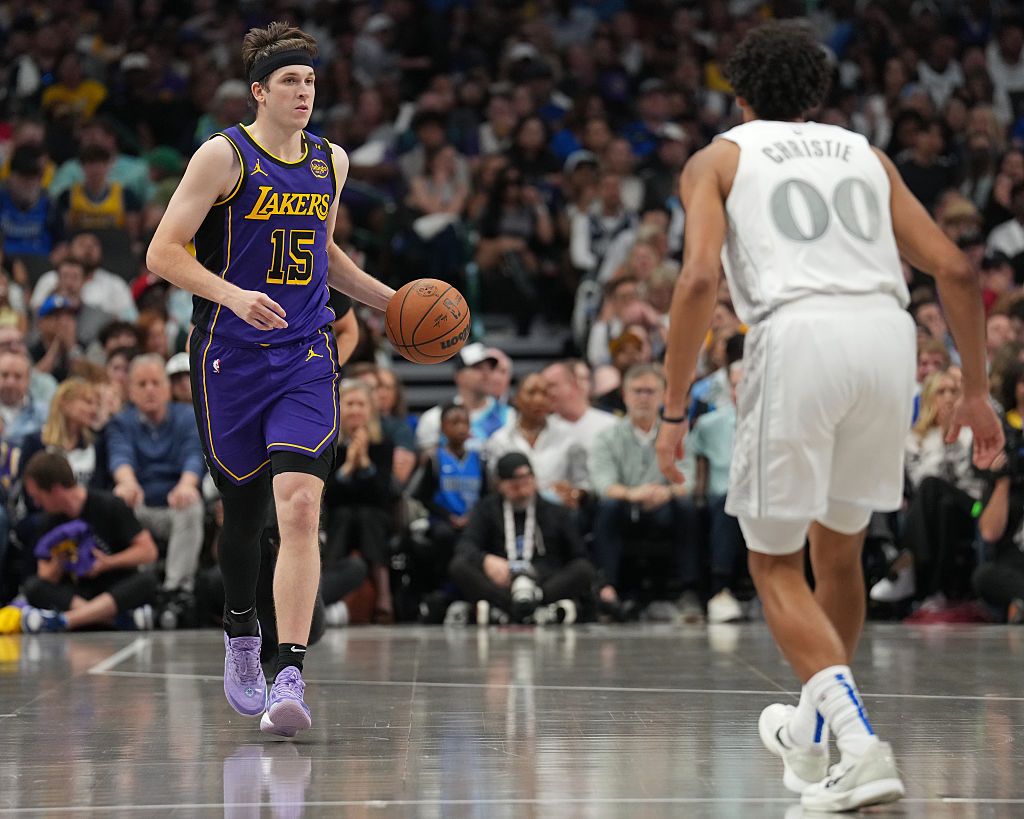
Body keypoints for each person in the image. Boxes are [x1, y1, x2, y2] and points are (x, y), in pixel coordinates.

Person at [653, 22, 1002, 813]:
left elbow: (700, 277)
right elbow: (951, 265)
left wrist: (674, 406)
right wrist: (976, 389)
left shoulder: (719, 157)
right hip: (887, 335)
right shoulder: (865, 154)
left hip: (798, 332)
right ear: (818, 95)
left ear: (736, 96)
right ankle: (812, 741)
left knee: (772, 562)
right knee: (837, 554)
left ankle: (863, 746)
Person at [146, 22, 394, 739]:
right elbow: (164, 251)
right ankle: (241, 631)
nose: (304, 93)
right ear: (260, 91)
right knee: (246, 515)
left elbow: (324, 254)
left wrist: (390, 301)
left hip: (307, 355)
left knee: (301, 508)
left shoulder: (331, 162)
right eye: (290, 81)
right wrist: (228, 293)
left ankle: (291, 670)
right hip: (229, 354)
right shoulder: (222, 156)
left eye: (312, 82)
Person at [7, 451, 158, 634]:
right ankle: (114, 620)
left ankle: (67, 620)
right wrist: (59, 562)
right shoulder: (49, 521)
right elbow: (44, 574)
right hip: (80, 591)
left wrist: (108, 563)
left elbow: (148, 551)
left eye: (38, 496)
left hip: (113, 585)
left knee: (148, 581)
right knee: (33, 587)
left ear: (55, 490)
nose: (36, 503)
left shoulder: (109, 505)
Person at [448, 452, 596, 624]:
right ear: (499, 484)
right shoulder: (487, 509)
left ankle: (517, 609)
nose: (522, 489)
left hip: (542, 580)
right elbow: (465, 546)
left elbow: (579, 554)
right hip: (503, 580)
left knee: (583, 569)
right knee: (459, 566)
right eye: (514, 484)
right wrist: (486, 560)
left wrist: (540, 577)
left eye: (526, 480)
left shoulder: (555, 511)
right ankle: (530, 611)